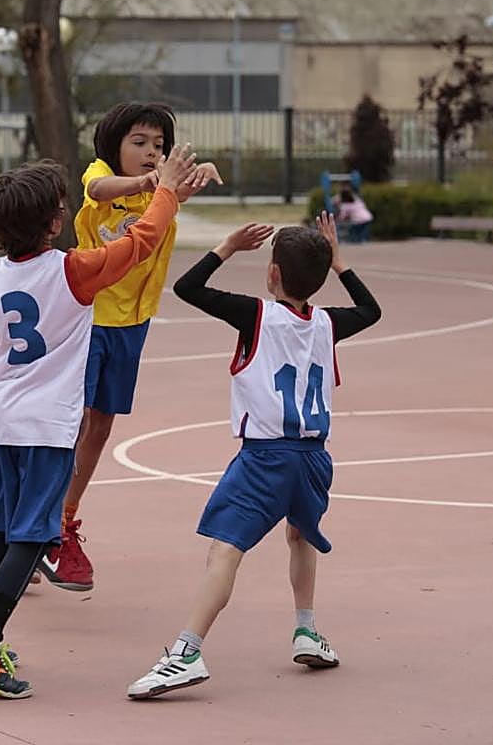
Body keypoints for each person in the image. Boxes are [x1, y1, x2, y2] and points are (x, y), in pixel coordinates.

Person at [0, 145, 198, 698]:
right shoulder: (73, 270)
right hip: (49, 428)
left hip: (3, 423)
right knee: (33, 537)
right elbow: (141, 241)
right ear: (55, 223)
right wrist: (167, 193)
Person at [126, 211, 382, 699]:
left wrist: (227, 246)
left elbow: (188, 288)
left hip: (266, 457)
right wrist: (339, 262)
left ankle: (186, 652)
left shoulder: (256, 316)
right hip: (314, 458)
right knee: (300, 535)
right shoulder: (328, 323)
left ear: (272, 273)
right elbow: (371, 310)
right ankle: (306, 629)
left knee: (225, 549)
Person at [40, 102, 216, 592]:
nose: (151, 151)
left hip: (132, 322)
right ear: (113, 145)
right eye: (139, 142)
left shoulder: (160, 192)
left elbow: (173, 196)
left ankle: (64, 518)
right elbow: (98, 190)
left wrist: (193, 178)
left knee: (100, 426)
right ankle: (43, 526)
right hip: (88, 317)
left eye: (159, 145)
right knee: (71, 423)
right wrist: (148, 181)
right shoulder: (101, 177)